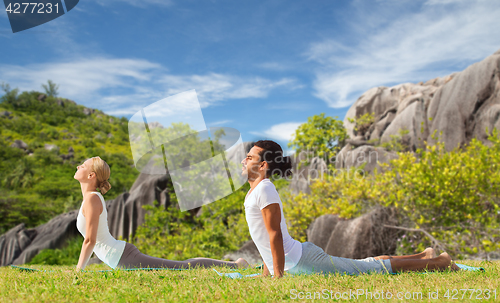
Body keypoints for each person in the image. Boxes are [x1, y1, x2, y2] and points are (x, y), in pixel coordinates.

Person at [240, 140, 459, 278]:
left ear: (262, 166)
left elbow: (274, 234)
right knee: (364, 265)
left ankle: (441, 262)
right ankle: (423, 255)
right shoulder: (255, 191)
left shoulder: (265, 188)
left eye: (249, 157)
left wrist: (277, 277)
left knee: (369, 270)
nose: (243, 160)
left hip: (301, 262)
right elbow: (263, 239)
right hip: (296, 261)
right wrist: (267, 272)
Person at [74, 156, 248, 271]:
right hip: (120, 256)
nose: (77, 166)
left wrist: (78, 271)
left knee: (182, 267)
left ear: (91, 175)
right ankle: (234, 264)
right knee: (181, 265)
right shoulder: (90, 198)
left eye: (82, 165)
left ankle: (235, 265)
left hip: (123, 257)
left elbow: (90, 240)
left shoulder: (92, 199)